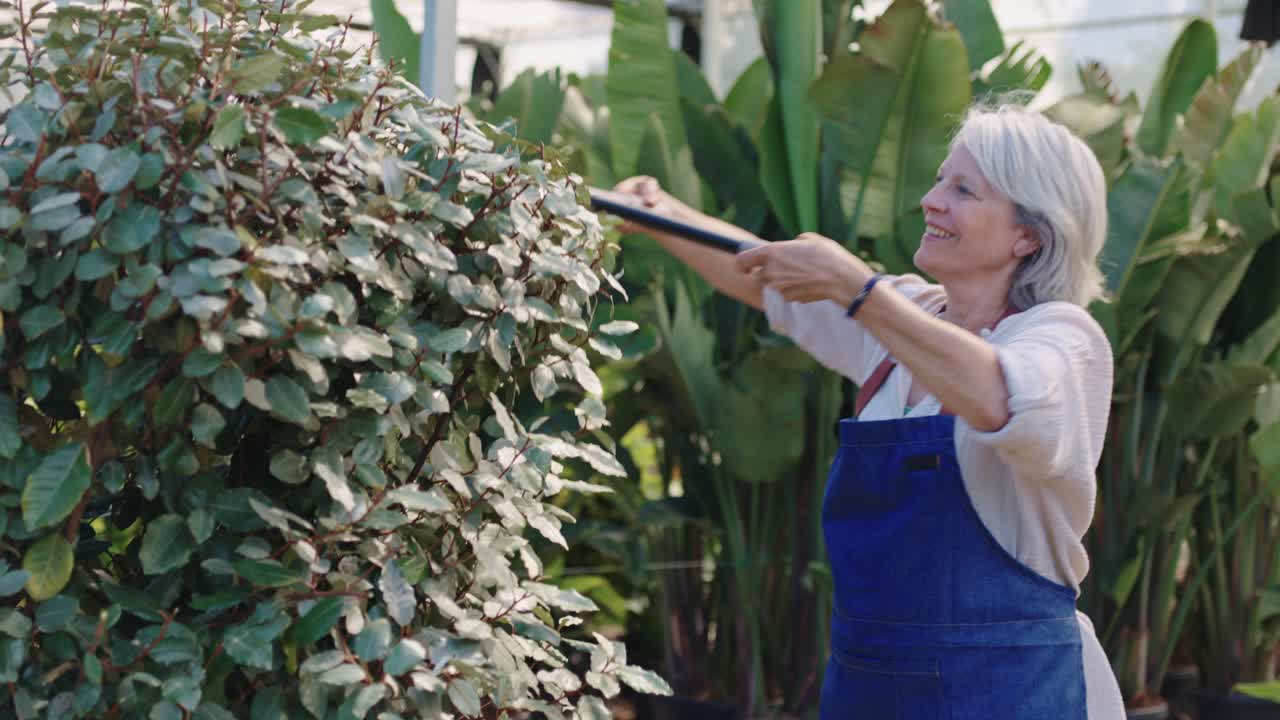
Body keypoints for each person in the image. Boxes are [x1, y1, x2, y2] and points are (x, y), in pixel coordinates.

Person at [612, 103, 1124, 719]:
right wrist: (660, 214)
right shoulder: (908, 318)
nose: (932, 200)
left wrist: (858, 290)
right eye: (939, 179)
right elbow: (766, 279)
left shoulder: (1063, 340)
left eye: (963, 189)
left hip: (1006, 690)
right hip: (869, 686)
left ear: (1029, 234)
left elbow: (999, 397)